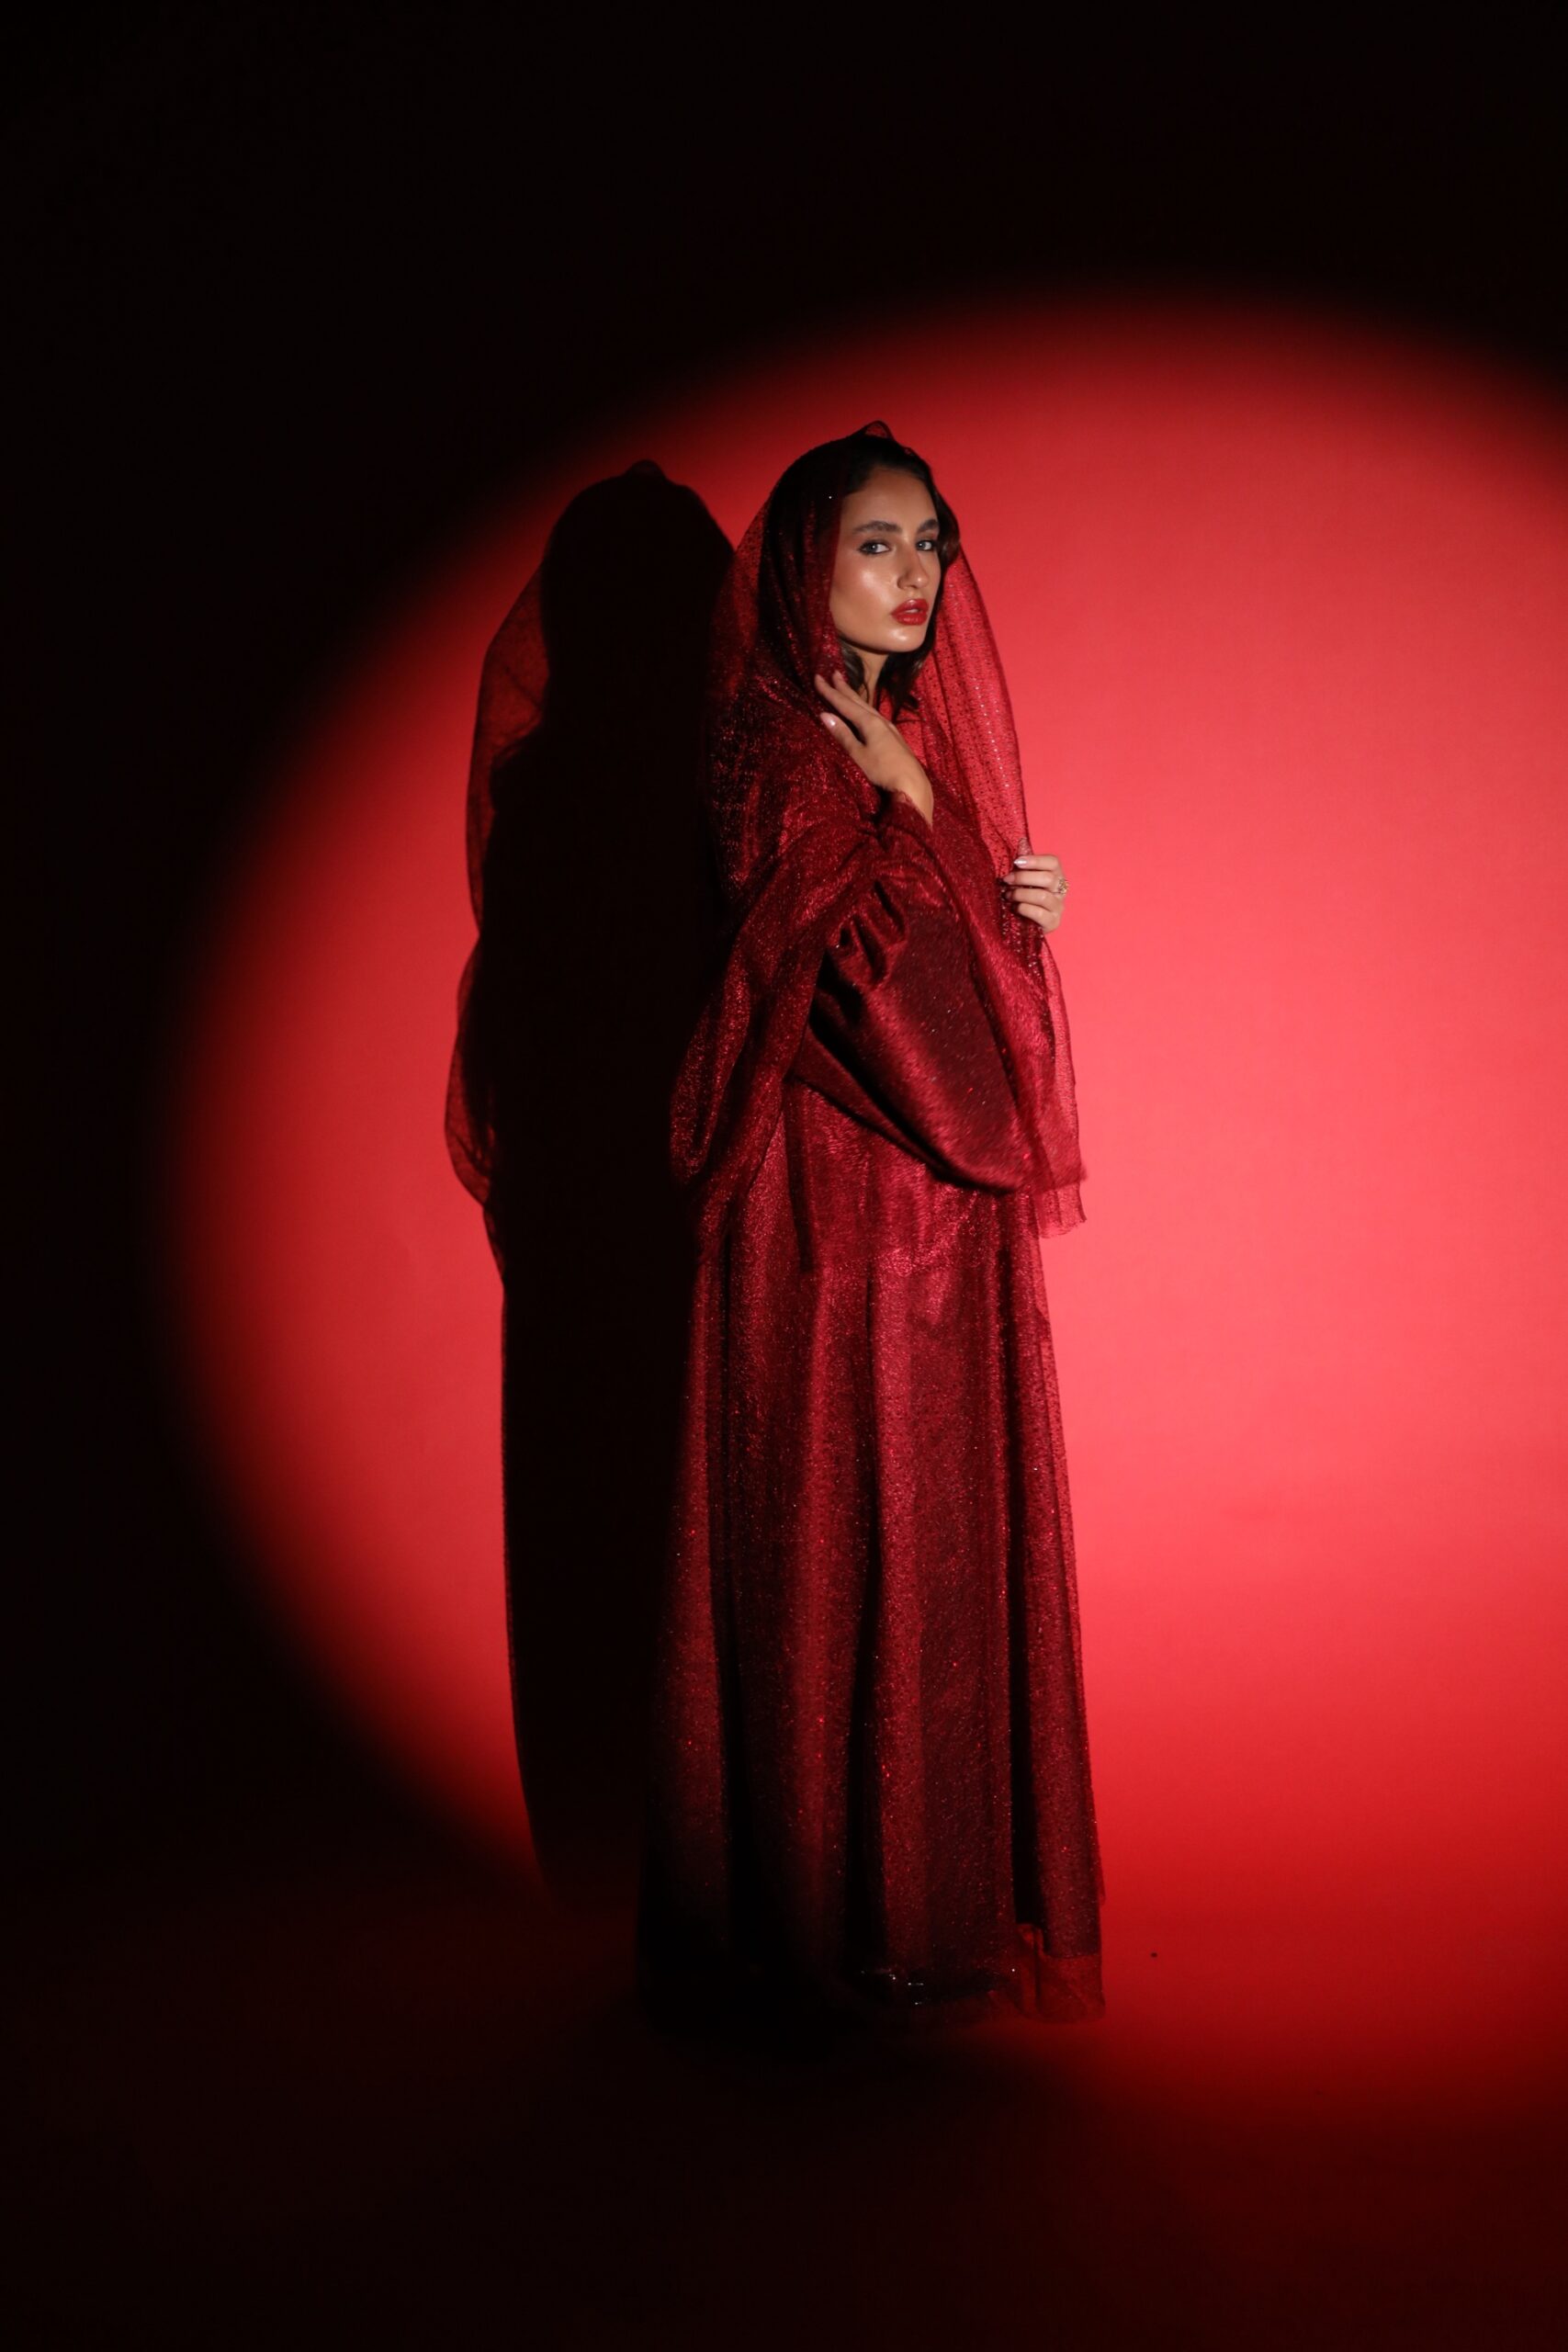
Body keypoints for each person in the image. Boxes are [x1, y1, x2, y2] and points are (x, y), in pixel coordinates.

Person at [635, 421, 1106, 2042]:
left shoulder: (883, 740)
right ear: (802, 561)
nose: (915, 577)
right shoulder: (782, 748)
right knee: (847, 1531)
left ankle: (916, 1914)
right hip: (839, 1231)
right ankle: (837, 1931)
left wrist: (974, 869)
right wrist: (929, 830)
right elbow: (882, 1004)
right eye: (877, 543)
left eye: (931, 546)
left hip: (925, 1228)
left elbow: (978, 1003)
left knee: (928, 1547)